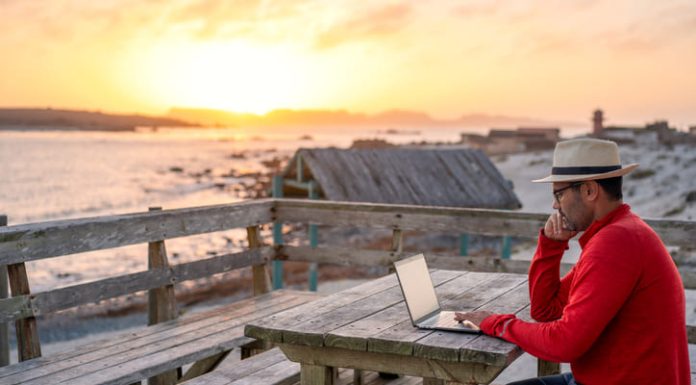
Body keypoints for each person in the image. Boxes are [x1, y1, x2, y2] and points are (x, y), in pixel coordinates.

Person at [454, 138, 690, 385]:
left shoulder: (616, 243)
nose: (555, 205)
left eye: (559, 194)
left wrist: (496, 323)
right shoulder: (621, 232)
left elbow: (565, 344)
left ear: (589, 190)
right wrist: (551, 245)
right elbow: (546, 311)